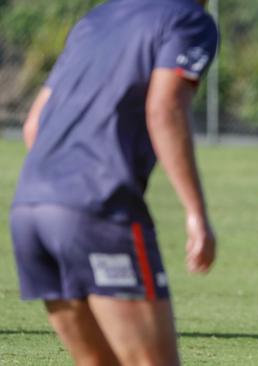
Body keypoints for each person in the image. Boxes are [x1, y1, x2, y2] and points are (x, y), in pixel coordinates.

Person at [9, 0, 218, 364]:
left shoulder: (98, 17)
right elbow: (165, 109)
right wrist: (196, 214)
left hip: (30, 209)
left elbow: (34, 124)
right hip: (98, 208)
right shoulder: (189, 18)